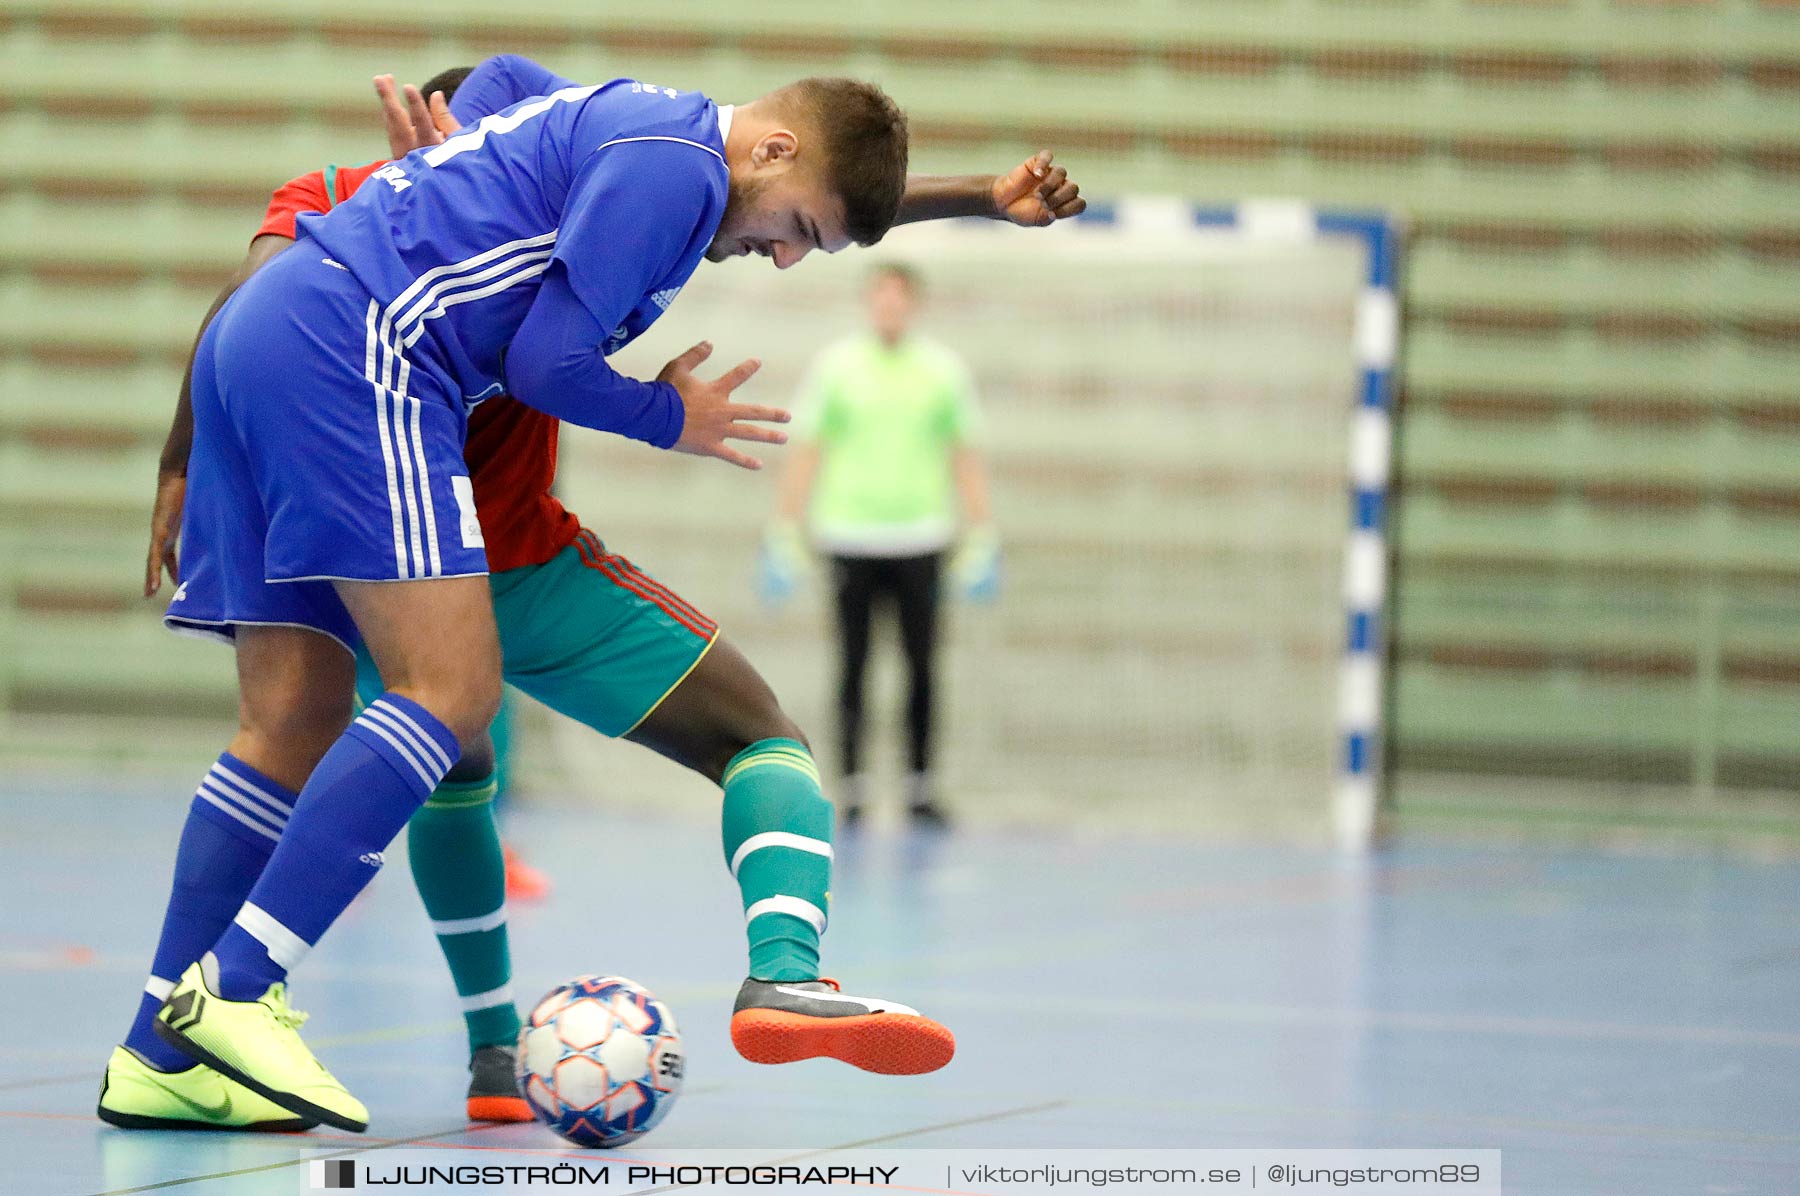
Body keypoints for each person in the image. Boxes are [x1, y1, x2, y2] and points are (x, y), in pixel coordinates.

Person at [108, 55, 1081, 1134]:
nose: (788, 260)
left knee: (294, 721)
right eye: (800, 228)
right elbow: (545, 359)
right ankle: (236, 988)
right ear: (769, 153)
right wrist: (674, 418)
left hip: (285, 348)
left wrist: (978, 197)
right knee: (454, 694)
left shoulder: (611, 126)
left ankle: (161, 1044)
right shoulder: (671, 171)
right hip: (360, 360)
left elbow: (525, 89)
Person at [764, 264, 997, 825]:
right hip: (850, 538)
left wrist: (982, 531)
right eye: (881, 299)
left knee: (921, 666)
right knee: (853, 663)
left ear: (913, 304)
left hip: (922, 538)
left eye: (900, 300)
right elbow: (808, 450)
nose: (890, 309)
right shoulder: (838, 368)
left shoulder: (942, 371)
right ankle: (853, 787)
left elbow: (963, 452)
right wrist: (784, 530)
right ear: (870, 303)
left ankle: (920, 786)